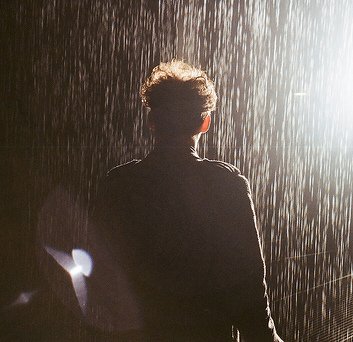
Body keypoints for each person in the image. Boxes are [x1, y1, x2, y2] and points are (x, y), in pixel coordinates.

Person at [95, 60, 283, 342]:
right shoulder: (227, 184)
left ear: (152, 121)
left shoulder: (118, 185)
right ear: (205, 122)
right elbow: (248, 283)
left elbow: (98, 277)